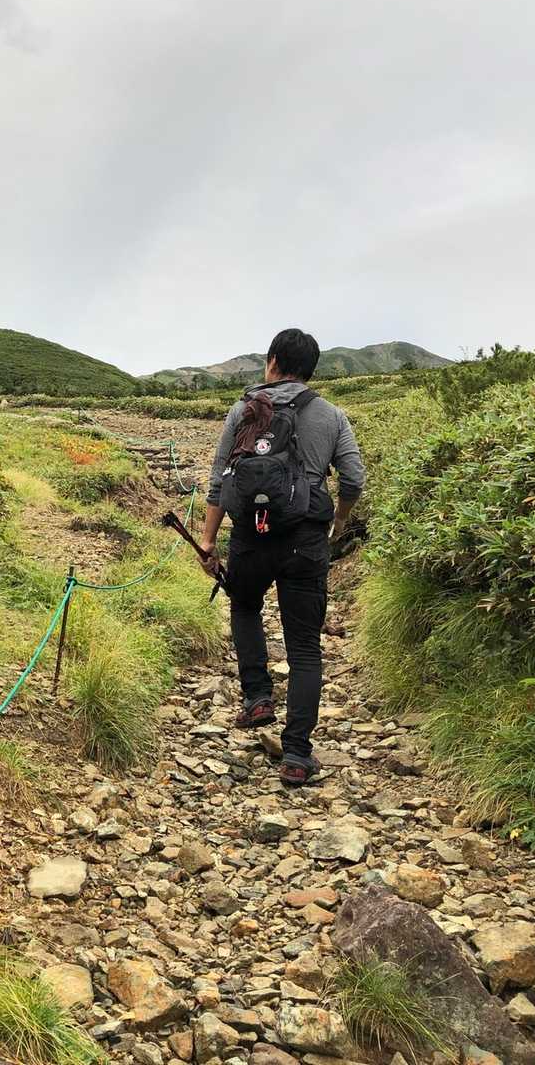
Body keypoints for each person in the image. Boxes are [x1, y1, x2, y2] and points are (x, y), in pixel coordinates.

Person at [197, 329, 365, 786]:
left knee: (245, 606)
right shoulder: (331, 415)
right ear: (311, 370)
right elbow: (353, 479)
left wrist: (208, 541)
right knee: (305, 646)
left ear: (272, 361)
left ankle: (257, 698)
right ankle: (296, 753)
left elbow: (219, 479)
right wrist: (338, 522)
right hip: (306, 539)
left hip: (250, 535)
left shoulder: (244, 410)